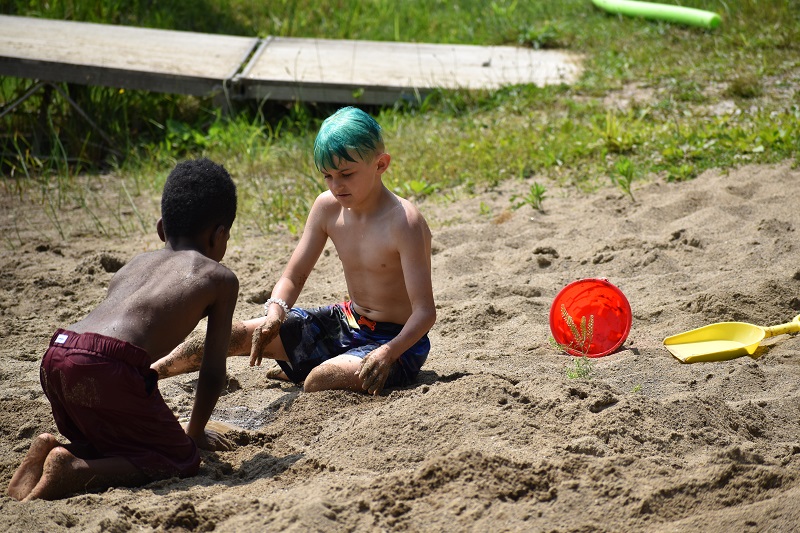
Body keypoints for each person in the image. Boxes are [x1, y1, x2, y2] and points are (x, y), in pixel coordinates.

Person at [153, 106, 436, 396]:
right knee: (227, 337)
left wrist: (388, 353)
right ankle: (150, 371)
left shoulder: (404, 222)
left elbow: (425, 313)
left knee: (319, 379)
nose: (336, 185)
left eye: (346, 174)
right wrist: (275, 314)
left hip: (397, 340)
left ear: (380, 164)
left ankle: (315, 366)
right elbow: (294, 276)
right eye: (327, 176)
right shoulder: (327, 208)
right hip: (346, 321)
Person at [7, 158, 240, 502]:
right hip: (107, 365)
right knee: (179, 458)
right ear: (219, 234)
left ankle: (48, 449)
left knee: (113, 442)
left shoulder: (135, 264)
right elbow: (212, 371)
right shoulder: (218, 278)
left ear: (162, 229)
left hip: (58, 353)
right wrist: (194, 432)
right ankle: (73, 469)